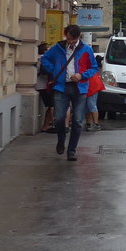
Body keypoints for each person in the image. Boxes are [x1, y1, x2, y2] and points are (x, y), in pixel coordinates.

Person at [39, 24, 98, 161]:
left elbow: (94, 67)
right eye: (68, 38)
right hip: (61, 86)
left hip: (79, 88)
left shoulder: (86, 49)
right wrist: (54, 70)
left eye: (73, 39)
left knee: (77, 121)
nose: (70, 42)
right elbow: (45, 59)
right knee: (59, 118)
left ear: (78, 37)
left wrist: (82, 75)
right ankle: (61, 141)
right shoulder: (58, 48)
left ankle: (71, 150)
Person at [36, 42, 55, 132]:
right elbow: (47, 71)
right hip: (44, 85)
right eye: (48, 49)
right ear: (44, 50)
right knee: (51, 105)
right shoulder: (43, 58)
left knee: (51, 105)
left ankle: (50, 123)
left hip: (39, 85)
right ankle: (46, 125)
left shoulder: (37, 57)